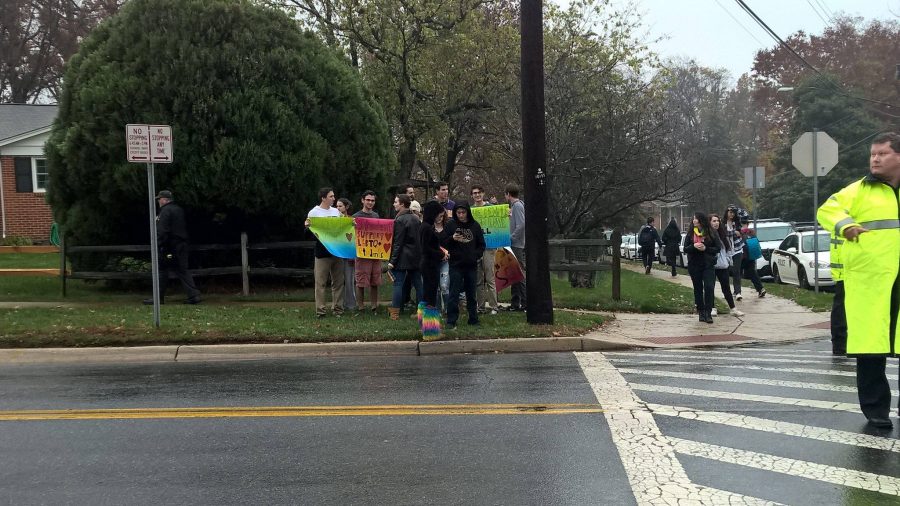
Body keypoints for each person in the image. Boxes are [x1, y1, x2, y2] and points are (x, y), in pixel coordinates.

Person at [816, 132, 900, 429]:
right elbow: (827, 209)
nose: (875, 159)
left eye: (882, 153)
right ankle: (876, 410)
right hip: (870, 283)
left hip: (897, 280)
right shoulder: (860, 190)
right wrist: (846, 225)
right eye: (872, 154)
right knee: (871, 351)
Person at [143, 190, 201, 305]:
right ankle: (193, 295)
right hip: (182, 244)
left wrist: (158, 244)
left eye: (159, 199)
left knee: (162, 271)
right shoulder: (179, 209)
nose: (158, 201)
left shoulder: (165, 211)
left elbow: (163, 230)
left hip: (169, 246)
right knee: (182, 270)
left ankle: (158, 298)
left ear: (165, 199)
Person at [442, 201, 486, 330]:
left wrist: (475, 255)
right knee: (454, 293)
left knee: (471, 294)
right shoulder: (451, 225)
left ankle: (473, 318)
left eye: (463, 212)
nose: (461, 215)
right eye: (458, 212)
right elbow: (443, 242)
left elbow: (481, 244)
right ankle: (451, 320)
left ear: (468, 212)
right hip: (455, 264)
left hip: (471, 265)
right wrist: (452, 239)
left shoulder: (475, 225)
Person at [306, 188, 345, 318]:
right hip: (322, 252)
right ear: (323, 198)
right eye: (331, 196)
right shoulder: (314, 212)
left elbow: (343, 227)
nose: (334, 198)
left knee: (338, 282)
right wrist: (308, 226)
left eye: (334, 196)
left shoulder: (336, 211)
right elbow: (310, 232)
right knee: (320, 282)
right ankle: (320, 310)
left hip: (337, 251)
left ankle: (338, 309)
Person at [387, 194, 422, 320]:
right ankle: (422, 312)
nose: (394, 204)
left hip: (402, 257)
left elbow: (398, 242)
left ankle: (395, 313)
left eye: (396, 202)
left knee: (398, 284)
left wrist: (392, 261)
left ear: (402, 204)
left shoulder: (400, 220)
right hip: (416, 257)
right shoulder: (416, 218)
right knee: (419, 285)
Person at [418, 201, 448, 341]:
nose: (439, 218)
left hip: (426, 264)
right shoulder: (428, 229)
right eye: (439, 215)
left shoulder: (424, 226)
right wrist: (441, 254)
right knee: (431, 298)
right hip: (430, 265)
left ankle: (422, 324)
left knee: (426, 296)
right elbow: (428, 249)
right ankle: (430, 332)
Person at [682, 212, 719, 324]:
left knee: (709, 287)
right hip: (694, 265)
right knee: (698, 288)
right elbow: (685, 249)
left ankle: (708, 312)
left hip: (708, 265)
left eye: (696, 219)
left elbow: (718, 248)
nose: (694, 221)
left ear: (701, 220)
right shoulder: (690, 234)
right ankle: (701, 312)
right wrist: (693, 246)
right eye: (693, 219)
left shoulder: (710, 232)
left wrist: (705, 248)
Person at [352, 190, 382, 313]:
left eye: (372, 200)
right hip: (361, 253)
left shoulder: (376, 216)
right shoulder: (356, 216)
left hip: (375, 252)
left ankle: (374, 305)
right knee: (361, 281)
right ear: (362, 200)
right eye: (368, 200)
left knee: (375, 280)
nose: (370, 202)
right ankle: (361, 307)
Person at [709, 213, 744, 318]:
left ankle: (733, 308)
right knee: (710, 287)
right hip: (711, 265)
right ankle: (712, 308)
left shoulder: (722, 235)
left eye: (717, 221)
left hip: (723, 265)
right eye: (713, 221)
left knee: (726, 288)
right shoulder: (708, 235)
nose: (716, 223)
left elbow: (728, 249)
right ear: (709, 222)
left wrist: (728, 260)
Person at [471, 185, 498, 315]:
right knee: (478, 280)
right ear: (472, 195)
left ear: (483, 193)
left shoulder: (490, 208)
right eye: (475, 193)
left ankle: (494, 307)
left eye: (479, 192)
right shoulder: (470, 211)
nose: (477, 195)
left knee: (490, 277)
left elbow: (500, 222)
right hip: (476, 249)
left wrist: (507, 215)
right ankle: (480, 307)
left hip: (489, 247)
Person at [506, 184, 526, 311]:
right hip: (513, 244)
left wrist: (512, 237)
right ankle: (515, 303)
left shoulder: (518, 206)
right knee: (514, 274)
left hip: (517, 244)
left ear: (508, 194)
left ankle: (525, 303)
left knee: (520, 273)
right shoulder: (513, 207)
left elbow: (521, 224)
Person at [336, 198, 357, 312]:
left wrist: (352, 255)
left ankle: (351, 305)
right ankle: (339, 304)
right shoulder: (333, 220)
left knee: (349, 280)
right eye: (337, 206)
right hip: (337, 254)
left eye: (340, 206)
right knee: (338, 281)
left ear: (346, 207)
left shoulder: (352, 220)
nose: (338, 208)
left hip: (348, 254)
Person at [828, 230, 847, 356]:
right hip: (848, 272)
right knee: (840, 309)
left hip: (844, 272)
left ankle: (839, 345)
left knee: (840, 308)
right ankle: (840, 345)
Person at [724, 206, 746, 300]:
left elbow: (741, 232)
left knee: (736, 271)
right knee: (727, 271)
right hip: (727, 250)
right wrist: (734, 232)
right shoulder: (722, 222)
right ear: (726, 212)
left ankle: (738, 292)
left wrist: (737, 209)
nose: (731, 214)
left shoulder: (737, 222)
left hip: (737, 249)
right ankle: (729, 292)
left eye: (733, 212)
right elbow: (725, 234)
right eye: (730, 212)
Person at [741, 228, 767, 298]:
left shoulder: (738, 231)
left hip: (741, 257)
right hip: (750, 256)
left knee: (737, 274)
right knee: (753, 273)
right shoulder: (750, 232)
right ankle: (760, 289)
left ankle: (737, 292)